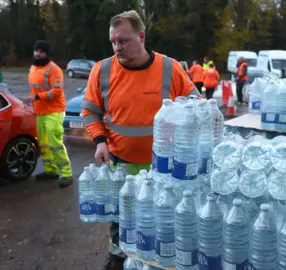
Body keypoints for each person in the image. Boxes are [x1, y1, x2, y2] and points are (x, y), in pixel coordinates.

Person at [80, 10, 200, 267]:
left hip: (165, 170)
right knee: (121, 219)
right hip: (121, 163)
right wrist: (100, 141)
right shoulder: (102, 71)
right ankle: (117, 262)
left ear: (142, 36)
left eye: (123, 40)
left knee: (161, 221)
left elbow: (196, 107)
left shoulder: (170, 68)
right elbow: (90, 111)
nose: (117, 47)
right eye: (113, 41)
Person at [21, 40, 73, 187]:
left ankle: (67, 173)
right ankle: (51, 171)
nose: (38, 54)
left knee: (54, 142)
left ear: (46, 53)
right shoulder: (33, 68)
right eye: (36, 51)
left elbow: (57, 91)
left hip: (54, 111)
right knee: (43, 144)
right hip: (40, 111)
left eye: (41, 51)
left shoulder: (54, 69)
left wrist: (36, 97)